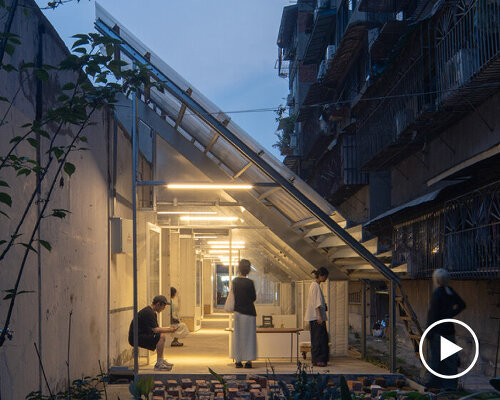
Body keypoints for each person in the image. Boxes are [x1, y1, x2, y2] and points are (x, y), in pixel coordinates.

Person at [426, 269, 466, 391]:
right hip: (449, 329)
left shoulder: (437, 293)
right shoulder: (450, 292)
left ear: (436, 280)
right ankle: (450, 385)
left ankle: (435, 383)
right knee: (450, 359)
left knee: (436, 358)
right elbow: (462, 305)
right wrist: (450, 314)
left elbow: (433, 314)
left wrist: (429, 331)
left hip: (437, 330)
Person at [128, 295, 179, 370]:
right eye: (163, 306)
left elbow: (157, 329)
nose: (164, 308)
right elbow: (155, 330)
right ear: (158, 304)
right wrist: (170, 330)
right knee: (161, 336)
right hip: (136, 337)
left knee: (161, 335)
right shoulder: (148, 313)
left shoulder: (151, 312)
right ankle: (159, 363)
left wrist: (169, 329)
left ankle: (160, 360)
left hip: (141, 335)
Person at [231, 259, 257, 368]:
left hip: (238, 312)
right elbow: (253, 297)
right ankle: (249, 361)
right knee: (249, 337)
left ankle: (238, 360)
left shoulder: (235, 281)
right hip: (249, 313)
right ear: (249, 270)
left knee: (238, 337)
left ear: (239, 269)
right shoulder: (250, 282)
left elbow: (233, 296)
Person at [305, 267, 329, 367]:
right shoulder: (315, 286)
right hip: (316, 318)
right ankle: (319, 359)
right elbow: (317, 303)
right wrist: (319, 316)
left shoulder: (314, 285)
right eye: (325, 276)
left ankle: (316, 359)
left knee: (317, 339)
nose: (326, 278)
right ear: (321, 275)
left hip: (314, 317)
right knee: (320, 339)